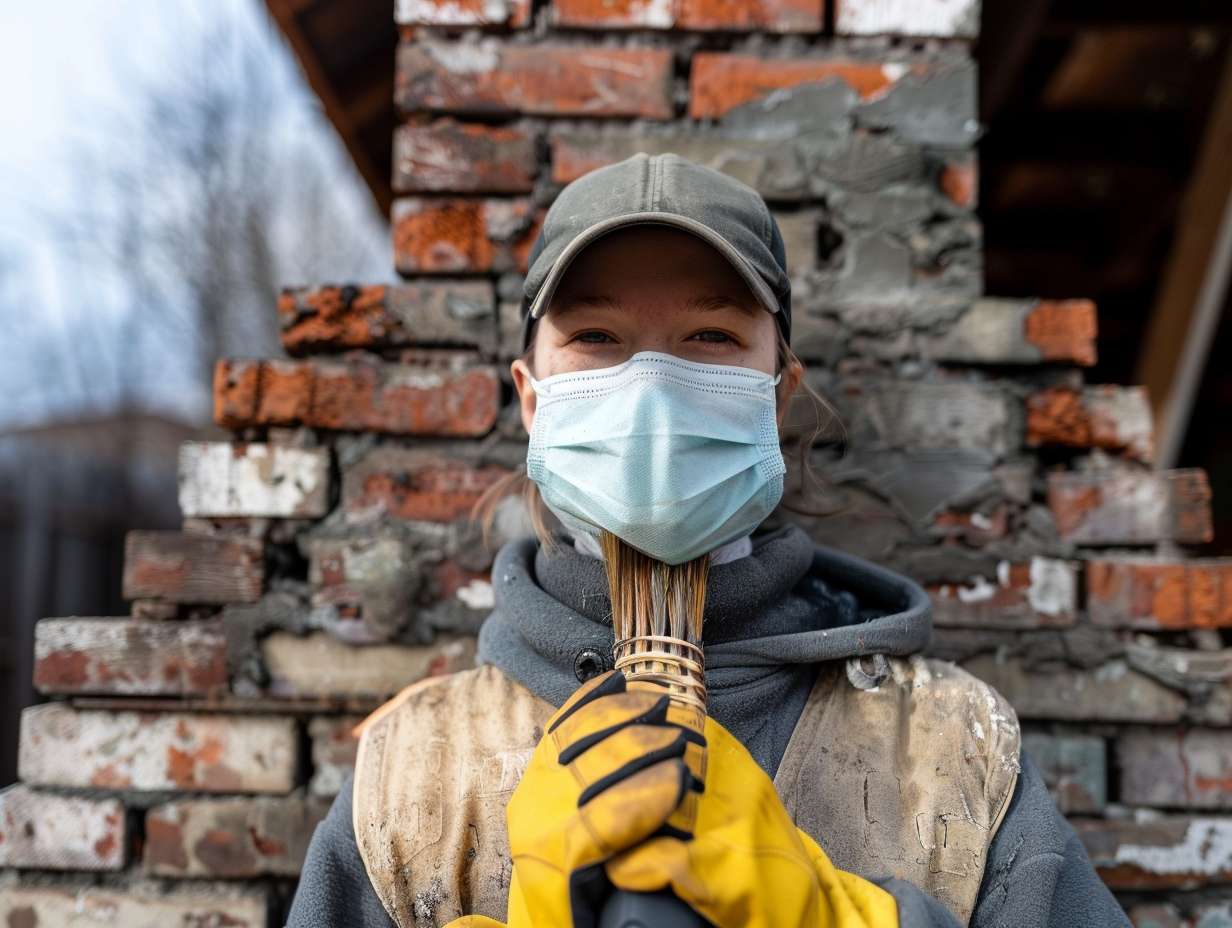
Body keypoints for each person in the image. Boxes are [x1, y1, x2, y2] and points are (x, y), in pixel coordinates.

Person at [287, 153, 1130, 928]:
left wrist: (835, 919)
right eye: (597, 338)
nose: (651, 390)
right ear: (533, 399)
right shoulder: (413, 776)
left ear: (776, 395)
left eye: (711, 337)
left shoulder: (952, 750)